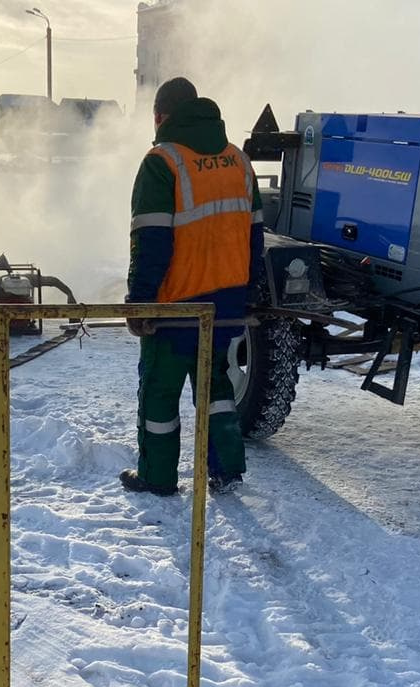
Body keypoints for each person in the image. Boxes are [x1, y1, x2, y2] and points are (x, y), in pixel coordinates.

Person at [121, 77, 264, 496]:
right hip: (227, 302)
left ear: (161, 116)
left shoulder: (161, 162)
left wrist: (140, 303)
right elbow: (256, 236)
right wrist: (249, 293)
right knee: (217, 387)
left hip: (176, 303)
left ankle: (158, 476)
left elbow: (150, 241)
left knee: (160, 393)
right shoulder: (239, 160)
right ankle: (225, 470)